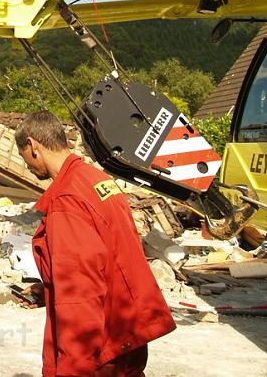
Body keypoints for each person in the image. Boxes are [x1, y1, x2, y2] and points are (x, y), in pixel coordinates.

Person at [15, 110, 176, 377]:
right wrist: (49, 290)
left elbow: (80, 293)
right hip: (127, 329)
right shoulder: (97, 180)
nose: (29, 168)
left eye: (25, 159)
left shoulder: (66, 201)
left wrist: (74, 368)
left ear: (33, 146)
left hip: (101, 346)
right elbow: (108, 255)